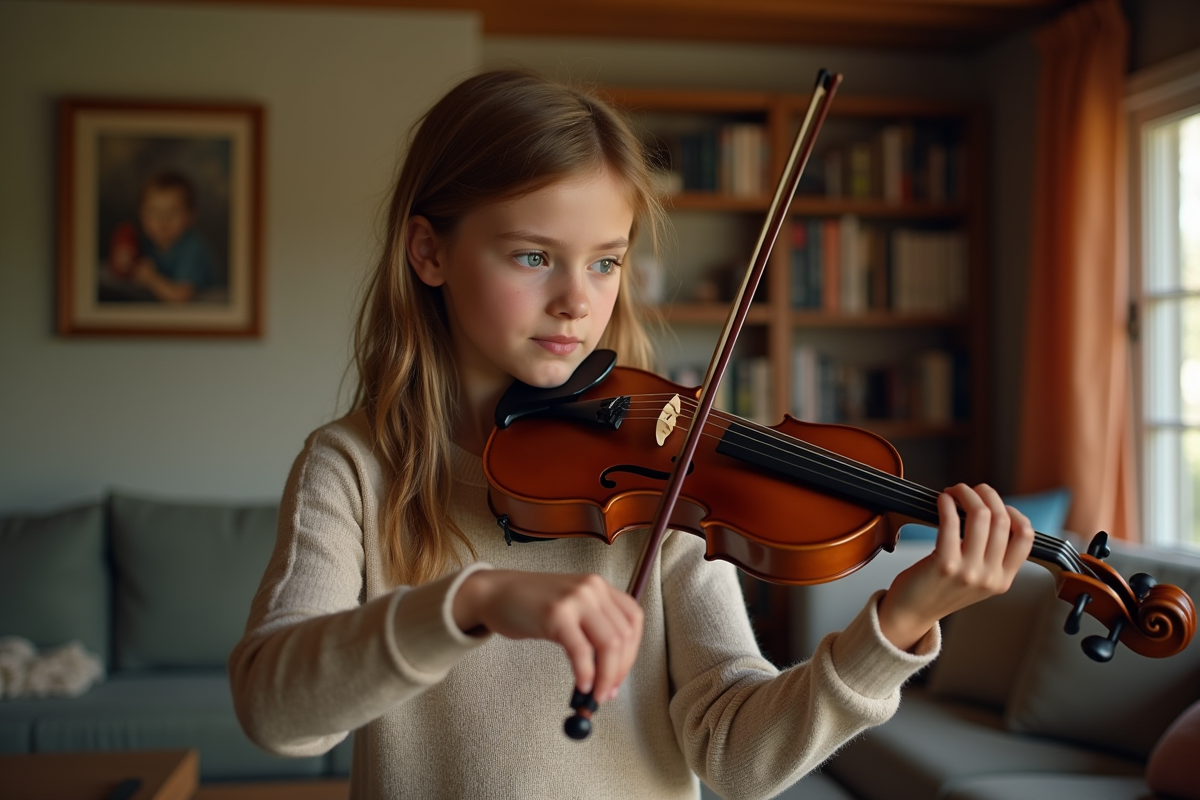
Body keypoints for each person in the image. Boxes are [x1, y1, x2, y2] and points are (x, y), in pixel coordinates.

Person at [228, 70, 1034, 800]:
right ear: (429, 251)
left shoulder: (661, 473)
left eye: (605, 262)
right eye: (534, 255)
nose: (577, 301)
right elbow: (277, 711)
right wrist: (470, 601)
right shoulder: (355, 468)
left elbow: (736, 758)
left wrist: (894, 625)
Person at [108, 170, 218, 302]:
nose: (162, 220)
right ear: (141, 215)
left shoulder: (193, 249)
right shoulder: (146, 244)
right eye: (154, 212)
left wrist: (151, 279)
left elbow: (180, 298)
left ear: (190, 216)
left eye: (172, 212)